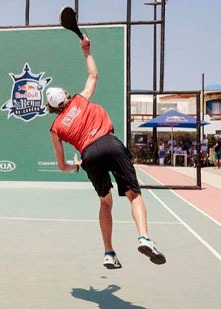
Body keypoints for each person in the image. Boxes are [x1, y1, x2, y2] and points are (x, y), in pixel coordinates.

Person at [46, 36, 166, 270]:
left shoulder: (55, 129)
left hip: (89, 156)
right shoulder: (80, 100)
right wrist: (86, 50)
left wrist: (77, 166)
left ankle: (109, 253)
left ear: (51, 107)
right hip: (109, 144)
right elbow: (93, 76)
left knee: (105, 203)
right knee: (134, 194)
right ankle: (143, 237)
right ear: (66, 97)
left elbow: (62, 166)